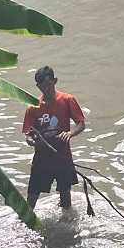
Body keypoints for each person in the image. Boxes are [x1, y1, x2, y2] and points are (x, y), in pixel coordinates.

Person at [22, 66, 86, 210]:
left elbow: (81, 124)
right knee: (31, 198)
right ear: (37, 86)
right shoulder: (33, 107)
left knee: (65, 196)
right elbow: (28, 135)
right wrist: (33, 142)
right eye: (42, 86)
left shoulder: (67, 100)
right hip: (41, 160)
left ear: (54, 81)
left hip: (63, 157)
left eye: (48, 85)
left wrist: (70, 133)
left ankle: (67, 228)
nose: (46, 89)